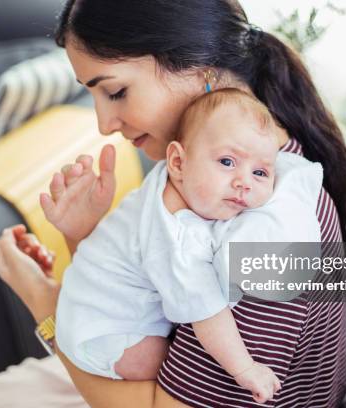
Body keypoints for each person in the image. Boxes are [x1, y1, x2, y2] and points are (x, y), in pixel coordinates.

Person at [0, 0, 346, 407]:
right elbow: (159, 314)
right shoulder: (226, 167)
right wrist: (87, 241)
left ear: (198, 67)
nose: (104, 123)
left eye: (114, 92)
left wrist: (45, 305)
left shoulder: (260, 227)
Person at [34, 88, 325, 404]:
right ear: (177, 161)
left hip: (85, 301)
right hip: (107, 335)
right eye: (227, 161)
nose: (245, 182)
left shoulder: (181, 184)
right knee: (162, 362)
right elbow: (206, 310)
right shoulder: (177, 234)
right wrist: (245, 368)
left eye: (260, 172)